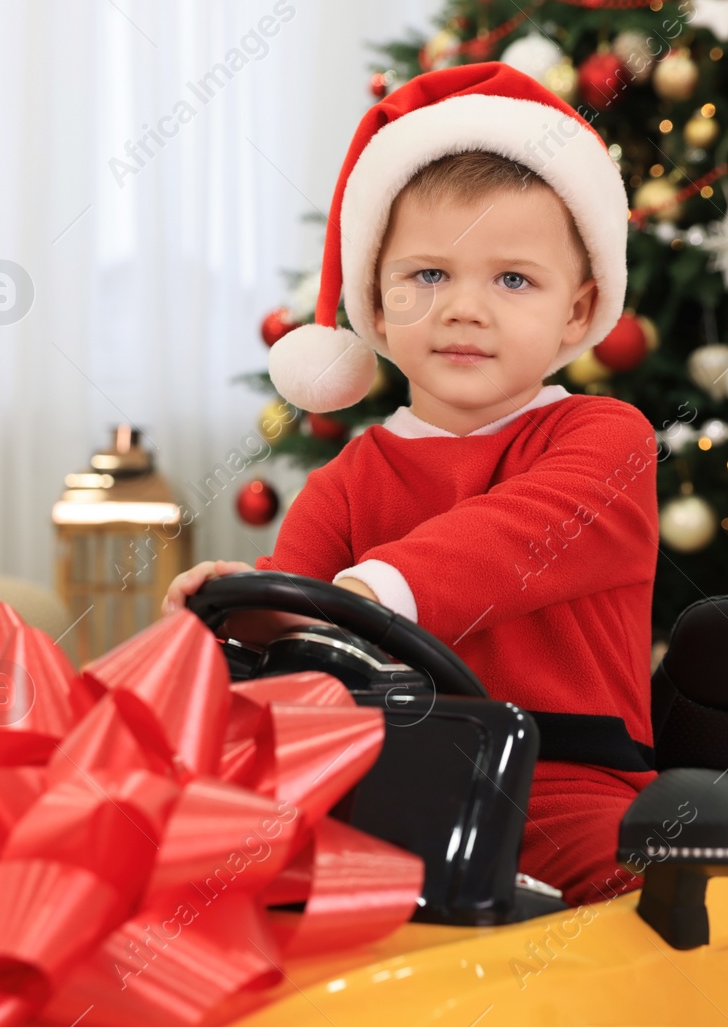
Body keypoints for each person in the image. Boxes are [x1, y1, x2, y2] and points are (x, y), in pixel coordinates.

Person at [161, 62, 660, 907]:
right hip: (382, 777)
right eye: (429, 276)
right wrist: (238, 607)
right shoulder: (347, 481)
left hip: (563, 780)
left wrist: (370, 590)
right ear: (378, 311)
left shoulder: (604, 439)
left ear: (577, 313)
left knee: (630, 889)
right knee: (230, 873)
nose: (464, 308)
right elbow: (299, 635)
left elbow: (520, 537)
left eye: (513, 279)